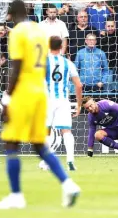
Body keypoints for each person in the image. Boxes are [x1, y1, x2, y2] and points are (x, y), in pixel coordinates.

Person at [0, 0, 80, 210]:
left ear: (11, 15)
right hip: (42, 93)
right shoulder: (39, 31)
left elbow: (17, 67)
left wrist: (7, 98)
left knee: (12, 143)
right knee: (39, 144)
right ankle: (68, 184)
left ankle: (16, 195)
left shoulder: (18, 33)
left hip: (24, 93)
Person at [40, 36, 83, 171]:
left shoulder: (43, 62)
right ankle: (70, 160)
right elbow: (79, 85)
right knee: (66, 131)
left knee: (46, 132)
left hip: (47, 100)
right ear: (61, 47)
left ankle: (46, 161)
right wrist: (79, 104)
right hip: (63, 101)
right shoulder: (68, 63)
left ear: (48, 45)